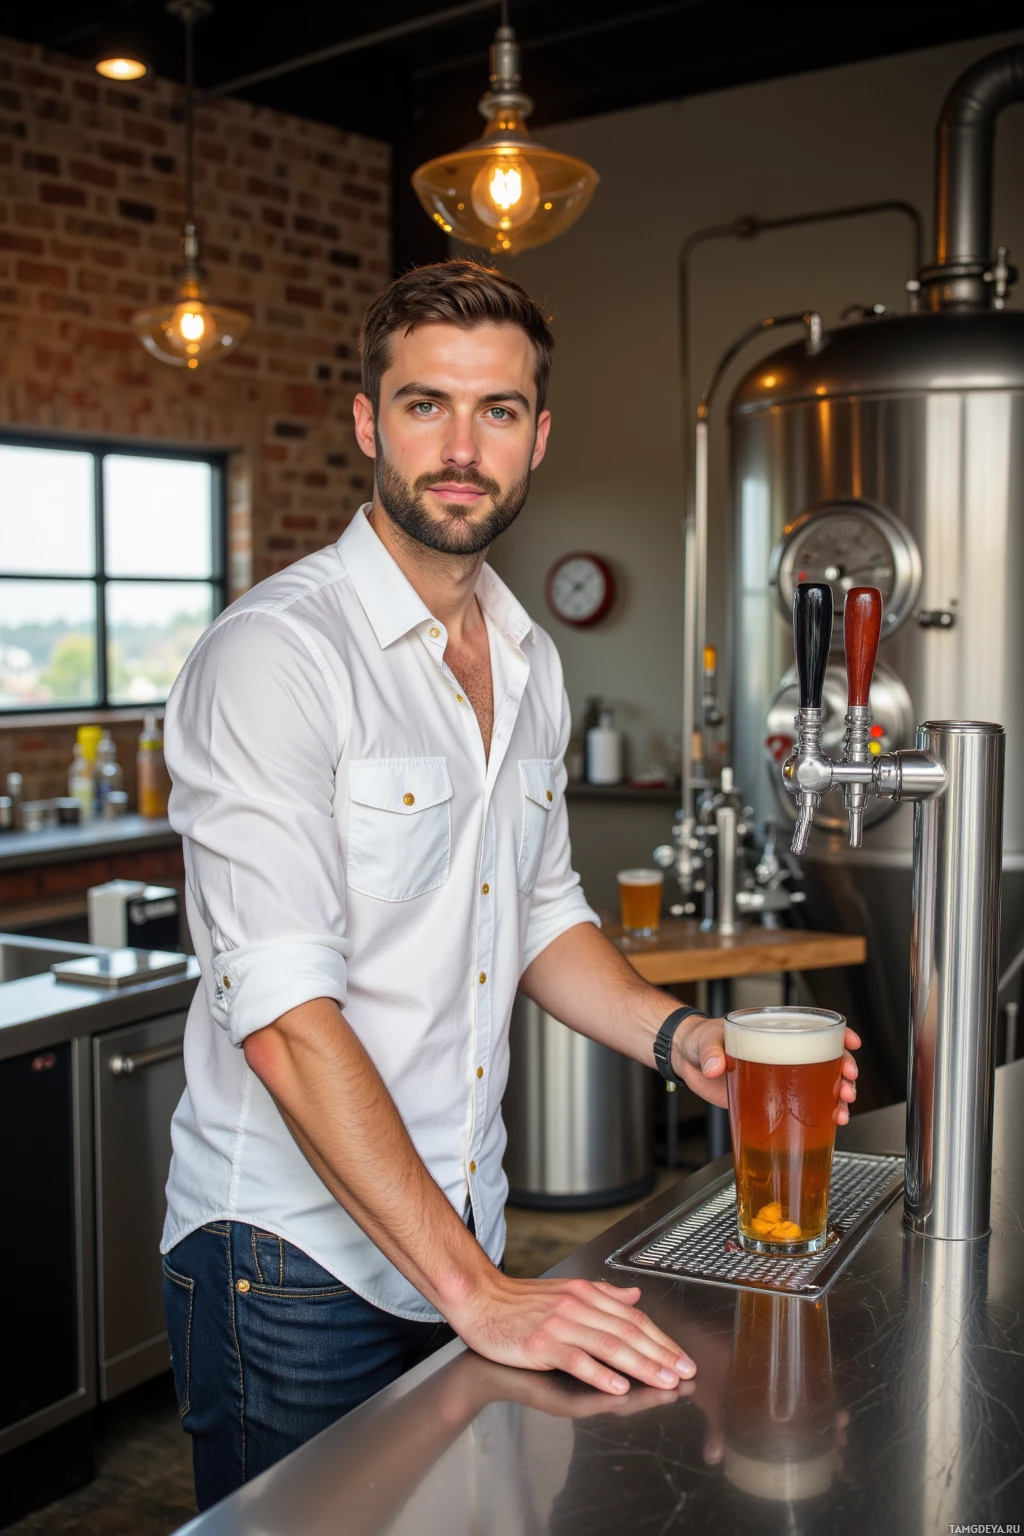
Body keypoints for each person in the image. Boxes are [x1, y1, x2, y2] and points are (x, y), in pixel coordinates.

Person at [160, 258, 860, 1510]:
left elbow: (539, 912)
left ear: (538, 436)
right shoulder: (273, 657)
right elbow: (281, 1018)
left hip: (460, 1229)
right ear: (369, 422)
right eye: (426, 404)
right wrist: (476, 1292)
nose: (460, 446)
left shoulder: (527, 657)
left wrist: (683, 1036)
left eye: (496, 412)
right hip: (289, 1261)